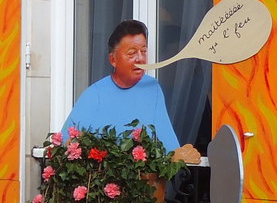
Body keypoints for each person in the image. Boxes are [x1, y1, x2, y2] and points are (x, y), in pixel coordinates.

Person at [62, 20, 201, 162]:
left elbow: (167, 143)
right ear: (113, 59)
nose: (140, 58)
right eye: (131, 53)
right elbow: (65, 144)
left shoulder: (152, 88)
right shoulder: (94, 95)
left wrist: (179, 155)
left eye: (143, 51)